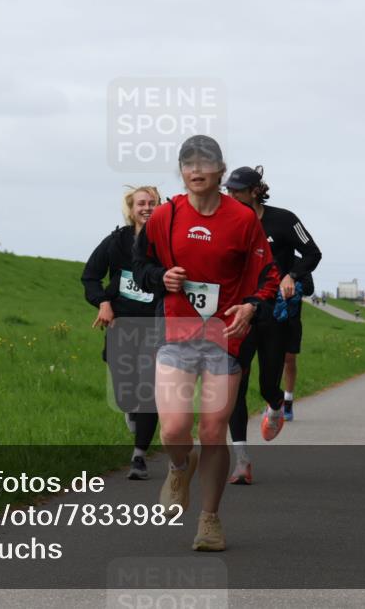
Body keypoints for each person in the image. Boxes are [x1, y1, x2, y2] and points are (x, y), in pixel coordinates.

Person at [133, 135, 278, 551]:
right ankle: (180, 466)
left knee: (213, 430)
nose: (195, 170)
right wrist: (160, 277)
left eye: (204, 163)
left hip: (224, 338)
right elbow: (140, 264)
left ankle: (210, 519)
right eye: (187, 163)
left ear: (220, 169)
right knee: (175, 427)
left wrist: (251, 307)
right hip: (176, 333)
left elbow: (268, 276)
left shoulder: (243, 220)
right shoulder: (165, 216)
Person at [224, 165, 322, 484]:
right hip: (238, 312)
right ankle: (241, 460)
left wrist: (290, 276)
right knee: (235, 386)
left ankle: (276, 404)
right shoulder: (223, 220)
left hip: (272, 313)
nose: (230, 195)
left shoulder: (283, 219)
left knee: (268, 383)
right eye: (228, 190)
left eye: (237, 190)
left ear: (254, 190)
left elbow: (312, 253)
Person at [82, 186, 163, 479]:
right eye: (141, 203)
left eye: (152, 202)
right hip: (122, 324)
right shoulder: (116, 242)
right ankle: (130, 412)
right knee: (125, 391)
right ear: (130, 209)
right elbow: (90, 275)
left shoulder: (167, 241)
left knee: (149, 388)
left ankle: (139, 456)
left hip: (156, 324)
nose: (146, 207)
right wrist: (103, 302)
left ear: (160, 206)